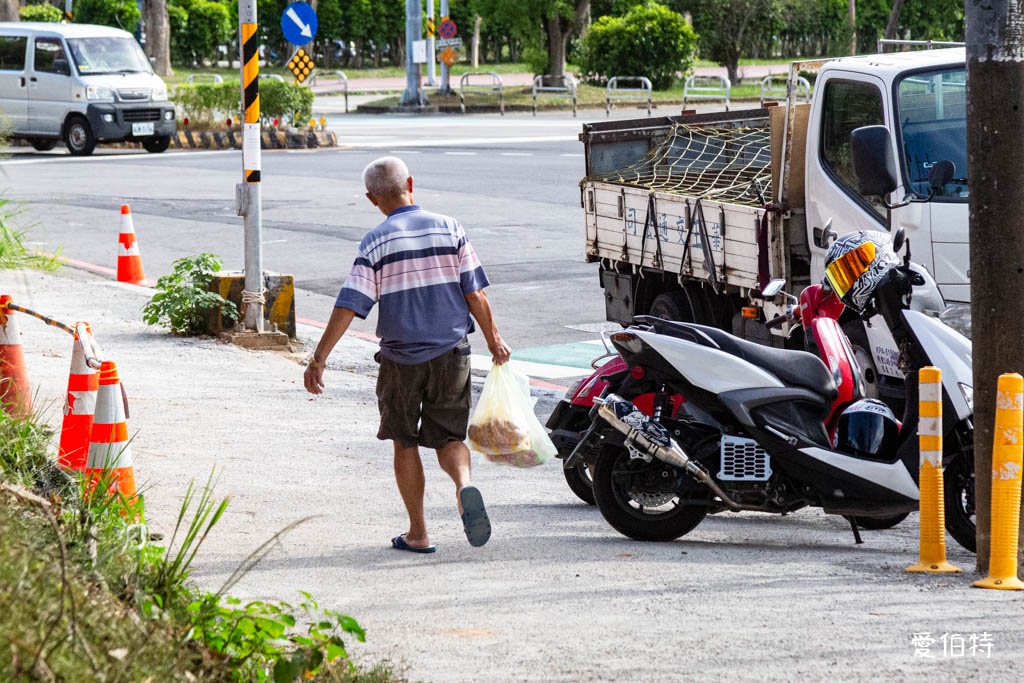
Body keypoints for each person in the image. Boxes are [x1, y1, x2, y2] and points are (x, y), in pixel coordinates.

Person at [304, 156, 511, 554]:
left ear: (371, 199)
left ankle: (418, 533)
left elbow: (350, 303)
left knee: (404, 441)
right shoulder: (451, 228)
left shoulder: (376, 241)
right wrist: (494, 341)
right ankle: (465, 486)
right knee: (449, 437)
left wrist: (319, 358)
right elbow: (475, 293)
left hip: (401, 360)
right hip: (452, 352)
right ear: (410, 183)